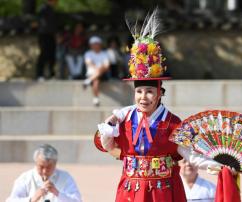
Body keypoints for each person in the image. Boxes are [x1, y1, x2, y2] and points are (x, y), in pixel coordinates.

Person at [93, 9, 222, 202]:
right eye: (139, 91)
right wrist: (109, 126)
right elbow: (107, 146)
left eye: (149, 92)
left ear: (159, 94)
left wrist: (217, 165)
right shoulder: (124, 118)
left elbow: (191, 155)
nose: (143, 97)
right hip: (131, 189)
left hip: (162, 191)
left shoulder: (173, 123)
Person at [6, 144, 82, 202]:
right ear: (36, 163)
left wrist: (57, 193)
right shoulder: (25, 178)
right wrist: (31, 199)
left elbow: (77, 200)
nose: (44, 171)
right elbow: (11, 200)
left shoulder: (65, 177)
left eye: (48, 167)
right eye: (41, 167)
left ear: (55, 164)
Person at [83, 36, 110, 106]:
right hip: (91, 73)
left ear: (100, 44)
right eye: (93, 44)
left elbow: (107, 66)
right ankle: (96, 98)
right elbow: (88, 62)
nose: (95, 46)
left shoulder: (104, 54)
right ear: (91, 45)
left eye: (96, 44)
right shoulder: (88, 53)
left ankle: (88, 81)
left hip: (103, 73)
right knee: (96, 81)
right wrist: (97, 68)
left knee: (102, 68)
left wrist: (99, 69)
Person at [36, 0, 58, 81]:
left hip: (51, 35)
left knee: (52, 54)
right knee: (44, 54)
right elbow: (39, 21)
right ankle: (39, 75)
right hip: (43, 35)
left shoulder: (52, 10)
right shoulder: (43, 8)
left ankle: (51, 74)